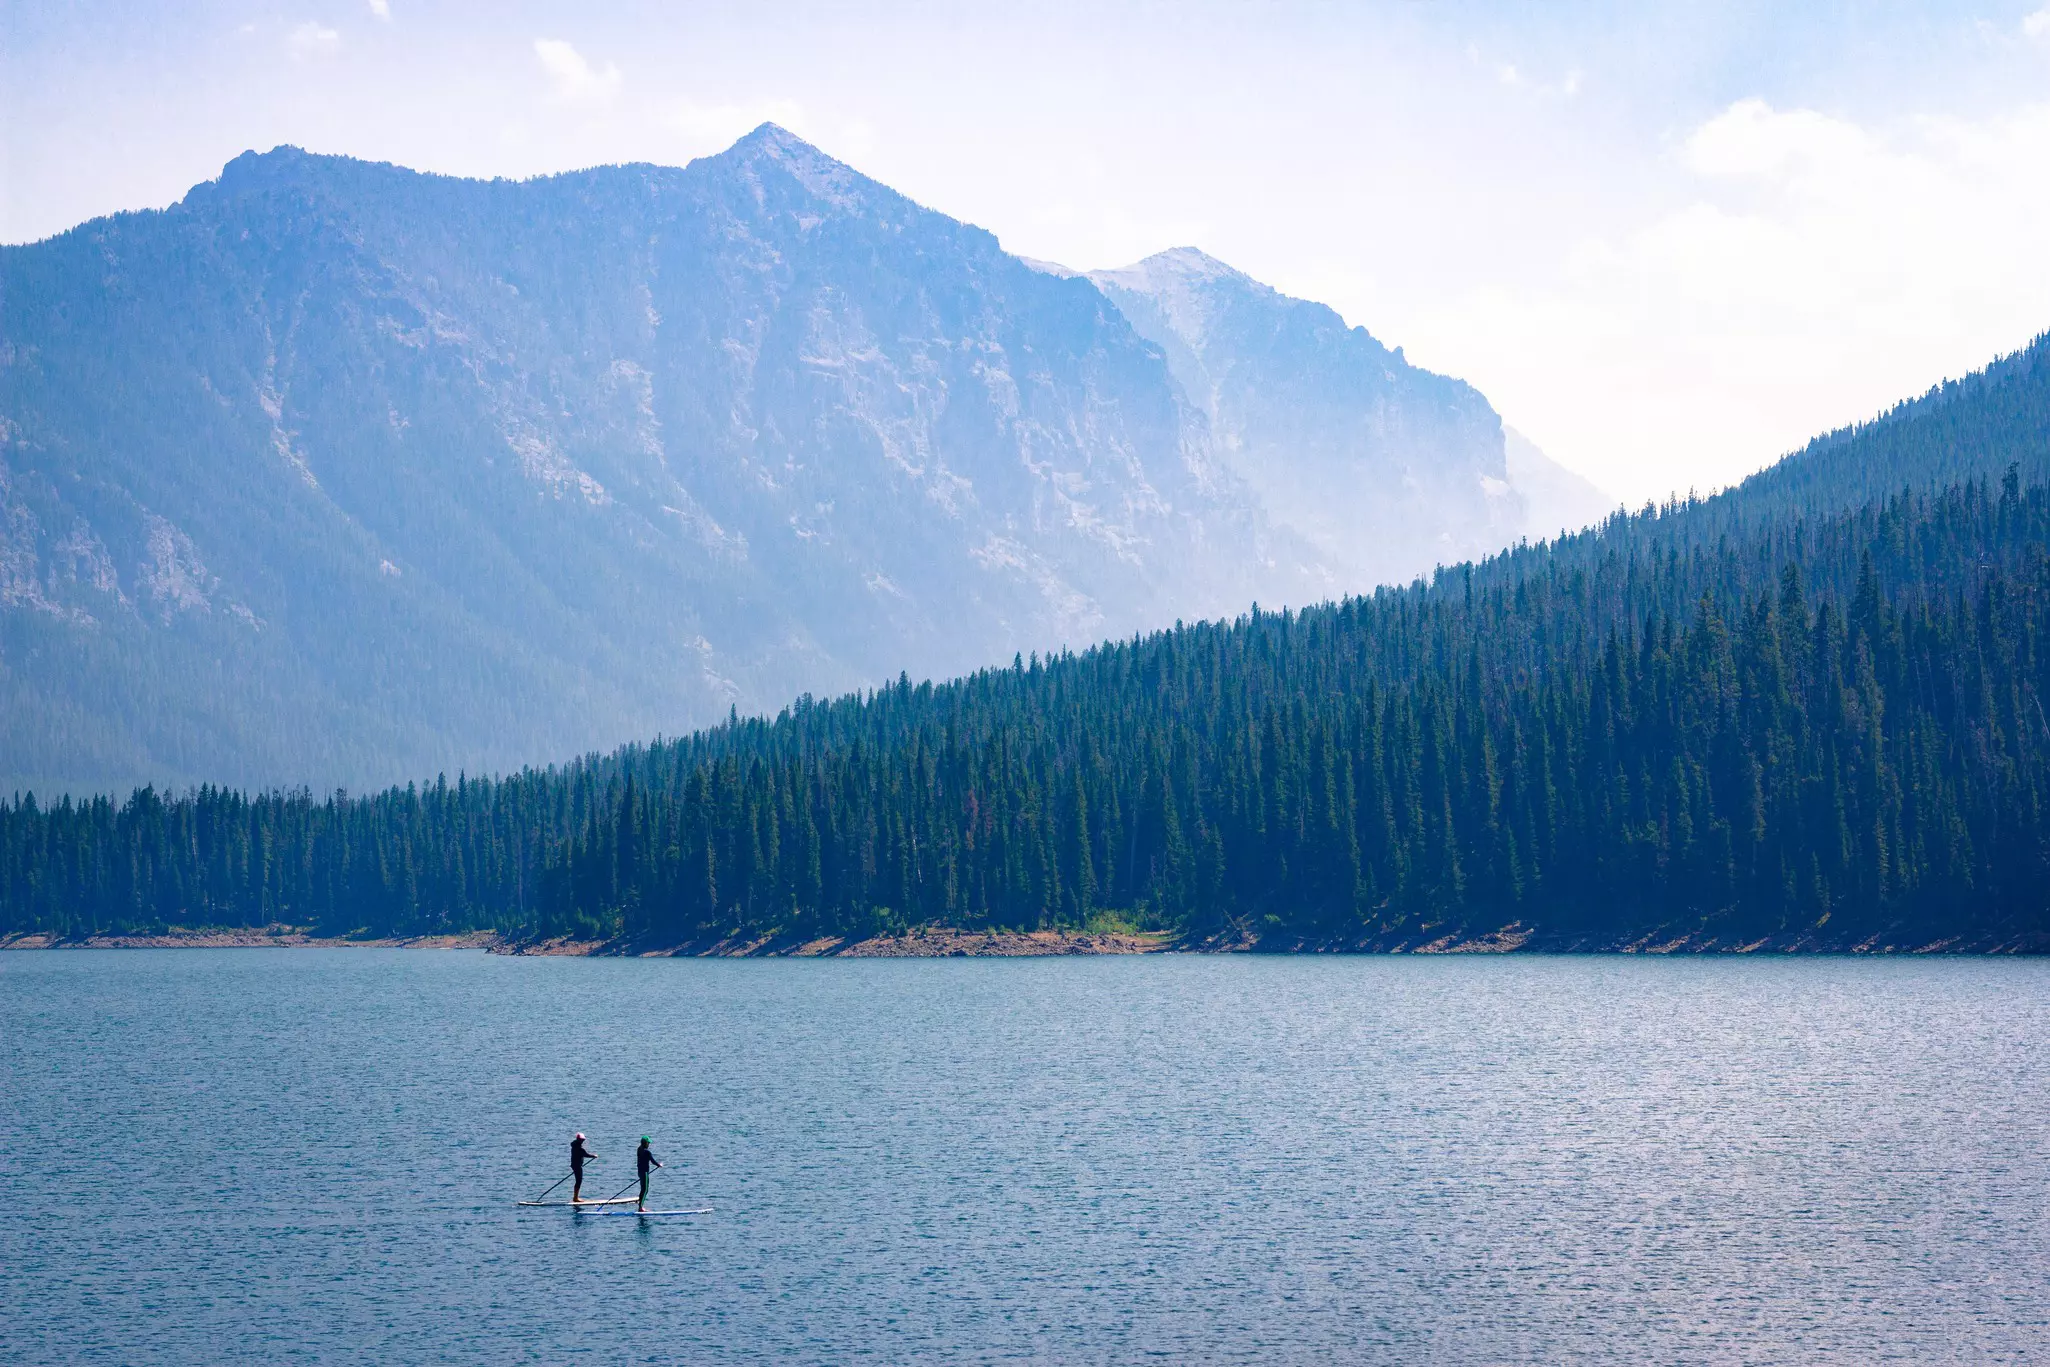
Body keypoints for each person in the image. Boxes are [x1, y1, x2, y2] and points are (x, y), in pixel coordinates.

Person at [635, 1136, 663, 1212]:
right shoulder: (647, 1152)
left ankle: (640, 1205)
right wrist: (659, 1165)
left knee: (642, 1189)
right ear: (645, 1143)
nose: (649, 1144)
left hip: (640, 1172)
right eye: (648, 1143)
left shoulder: (639, 1149)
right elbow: (653, 1161)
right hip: (645, 1173)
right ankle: (640, 1207)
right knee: (646, 1190)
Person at [570, 1132, 596, 1203]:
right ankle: (575, 1198)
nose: (582, 1141)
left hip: (575, 1165)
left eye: (583, 1140)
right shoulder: (579, 1148)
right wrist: (594, 1156)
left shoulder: (574, 1145)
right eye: (581, 1140)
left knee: (578, 1180)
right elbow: (585, 1154)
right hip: (577, 1166)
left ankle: (575, 1197)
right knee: (579, 1181)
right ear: (578, 1139)